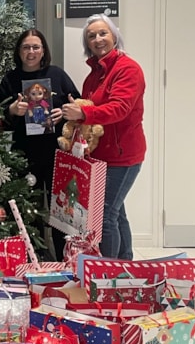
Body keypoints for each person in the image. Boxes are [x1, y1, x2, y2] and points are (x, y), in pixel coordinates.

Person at [61, 14, 146, 261]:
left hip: (123, 155)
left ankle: (107, 272)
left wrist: (83, 112)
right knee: (116, 213)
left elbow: (120, 108)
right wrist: (77, 110)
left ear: (114, 36)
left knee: (105, 214)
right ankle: (124, 265)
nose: (98, 39)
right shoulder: (94, 74)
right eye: (91, 36)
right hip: (101, 155)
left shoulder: (128, 69)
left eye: (102, 33)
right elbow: (90, 108)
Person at [0, 28, 80, 260]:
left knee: (61, 211)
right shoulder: (10, 79)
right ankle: (33, 259)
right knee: (29, 209)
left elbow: (78, 106)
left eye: (36, 47)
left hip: (57, 155)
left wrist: (61, 113)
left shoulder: (57, 74)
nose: (31, 52)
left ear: (43, 50)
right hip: (24, 154)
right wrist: (13, 110)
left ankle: (64, 259)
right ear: (19, 51)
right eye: (26, 47)